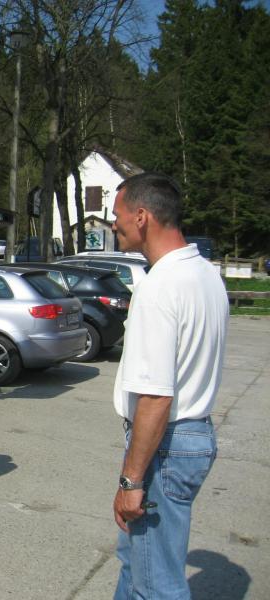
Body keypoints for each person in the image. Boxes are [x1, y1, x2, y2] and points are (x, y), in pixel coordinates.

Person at [110, 173, 229, 599]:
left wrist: (131, 481)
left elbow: (156, 396)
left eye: (117, 215)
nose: (113, 224)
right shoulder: (205, 275)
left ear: (141, 217)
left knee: (157, 583)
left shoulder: (160, 287)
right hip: (190, 437)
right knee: (136, 562)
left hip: (166, 444)